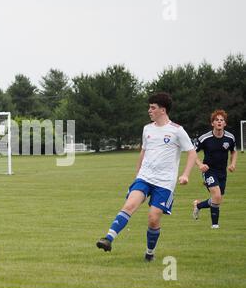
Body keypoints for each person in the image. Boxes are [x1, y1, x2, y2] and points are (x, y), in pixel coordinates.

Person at [96, 92, 197, 261]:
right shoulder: (147, 129)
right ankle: (108, 238)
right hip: (144, 177)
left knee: (153, 218)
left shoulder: (177, 131)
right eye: (149, 107)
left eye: (153, 107)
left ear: (163, 110)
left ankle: (149, 253)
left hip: (165, 183)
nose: (149, 110)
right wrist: (137, 176)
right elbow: (143, 153)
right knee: (129, 205)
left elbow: (192, 154)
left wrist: (185, 175)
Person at [192, 110, 237, 229]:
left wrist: (232, 164)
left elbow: (233, 151)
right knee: (216, 195)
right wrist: (200, 165)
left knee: (217, 199)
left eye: (221, 120)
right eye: (217, 120)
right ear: (212, 123)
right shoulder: (205, 138)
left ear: (225, 123)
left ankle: (198, 205)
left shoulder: (230, 138)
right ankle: (215, 225)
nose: (219, 122)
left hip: (222, 172)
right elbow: (192, 153)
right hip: (208, 171)